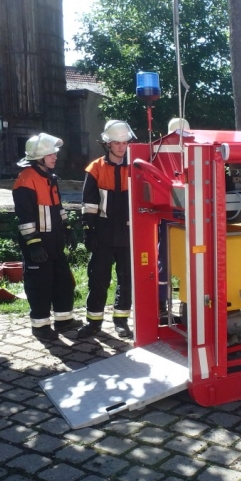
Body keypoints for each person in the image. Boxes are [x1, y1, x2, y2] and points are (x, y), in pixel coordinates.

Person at [13, 132, 78, 341]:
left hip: (55, 241)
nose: (55, 157)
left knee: (63, 282)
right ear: (39, 158)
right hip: (38, 243)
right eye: (51, 154)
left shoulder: (50, 178)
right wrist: (33, 244)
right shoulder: (25, 180)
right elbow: (25, 217)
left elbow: (58, 208)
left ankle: (63, 319)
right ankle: (40, 325)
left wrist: (67, 228)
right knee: (39, 285)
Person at [77, 119, 136, 339]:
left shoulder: (136, 167)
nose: (122, 146)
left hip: (128, 232)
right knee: (98, 278)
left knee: (126, 278)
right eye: (117, 143)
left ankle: (121, 321)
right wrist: (87, 230)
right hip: (102, 232)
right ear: (108, 144)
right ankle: (93, 322)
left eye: (125, 142)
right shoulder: (95, 168)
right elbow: (89, 203)